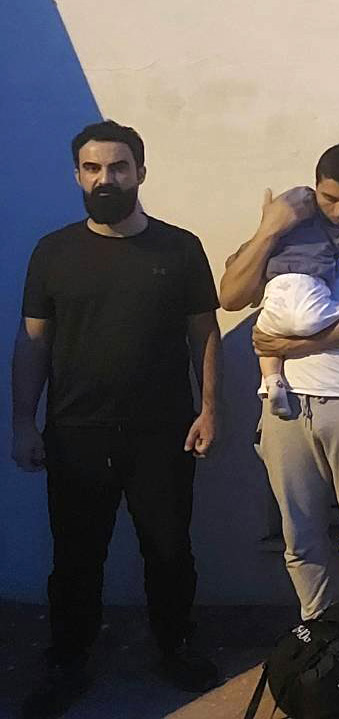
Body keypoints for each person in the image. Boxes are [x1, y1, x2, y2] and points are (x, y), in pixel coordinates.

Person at [14, 120, 222, 718]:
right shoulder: (53, 252)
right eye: (93, 168)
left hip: (164, 432)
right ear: (77, 176)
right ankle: (68, 660)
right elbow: (33, 342)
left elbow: (204, 334)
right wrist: (23, 422)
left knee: (169, 551)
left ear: (140, 172)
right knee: (75, 559)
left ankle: (176, 648)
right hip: (76, 434)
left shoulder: (179, 248)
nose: (105, 179)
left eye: (118, 167)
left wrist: (210, 409)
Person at [218, 143, 339, 621]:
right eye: (329, 198)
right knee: (299, 536)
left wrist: (286, 344)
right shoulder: (288, 235)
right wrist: (269, 229)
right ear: (314, 187)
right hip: (287, 404)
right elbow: (231, 296)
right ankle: (318, 632)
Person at [256, 194, 339, 418]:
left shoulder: (276, 238)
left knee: (264, 341)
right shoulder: (323, 233)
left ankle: (273, 381)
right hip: (308, 294)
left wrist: (267, 222)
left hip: (277, 295)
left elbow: (239, 257)